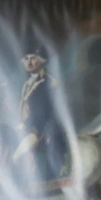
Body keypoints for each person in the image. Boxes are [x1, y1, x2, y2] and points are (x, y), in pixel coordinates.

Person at [13, 44, 69, 187]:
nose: (29, 62)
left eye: (33, 58)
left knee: (20, 152)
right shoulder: (27, 84)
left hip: (43, 126)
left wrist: (25, 125)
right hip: (29, 125)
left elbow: (43, 111)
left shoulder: (48, 83)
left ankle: (51, 176)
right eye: (26, 59)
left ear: (41, 60)